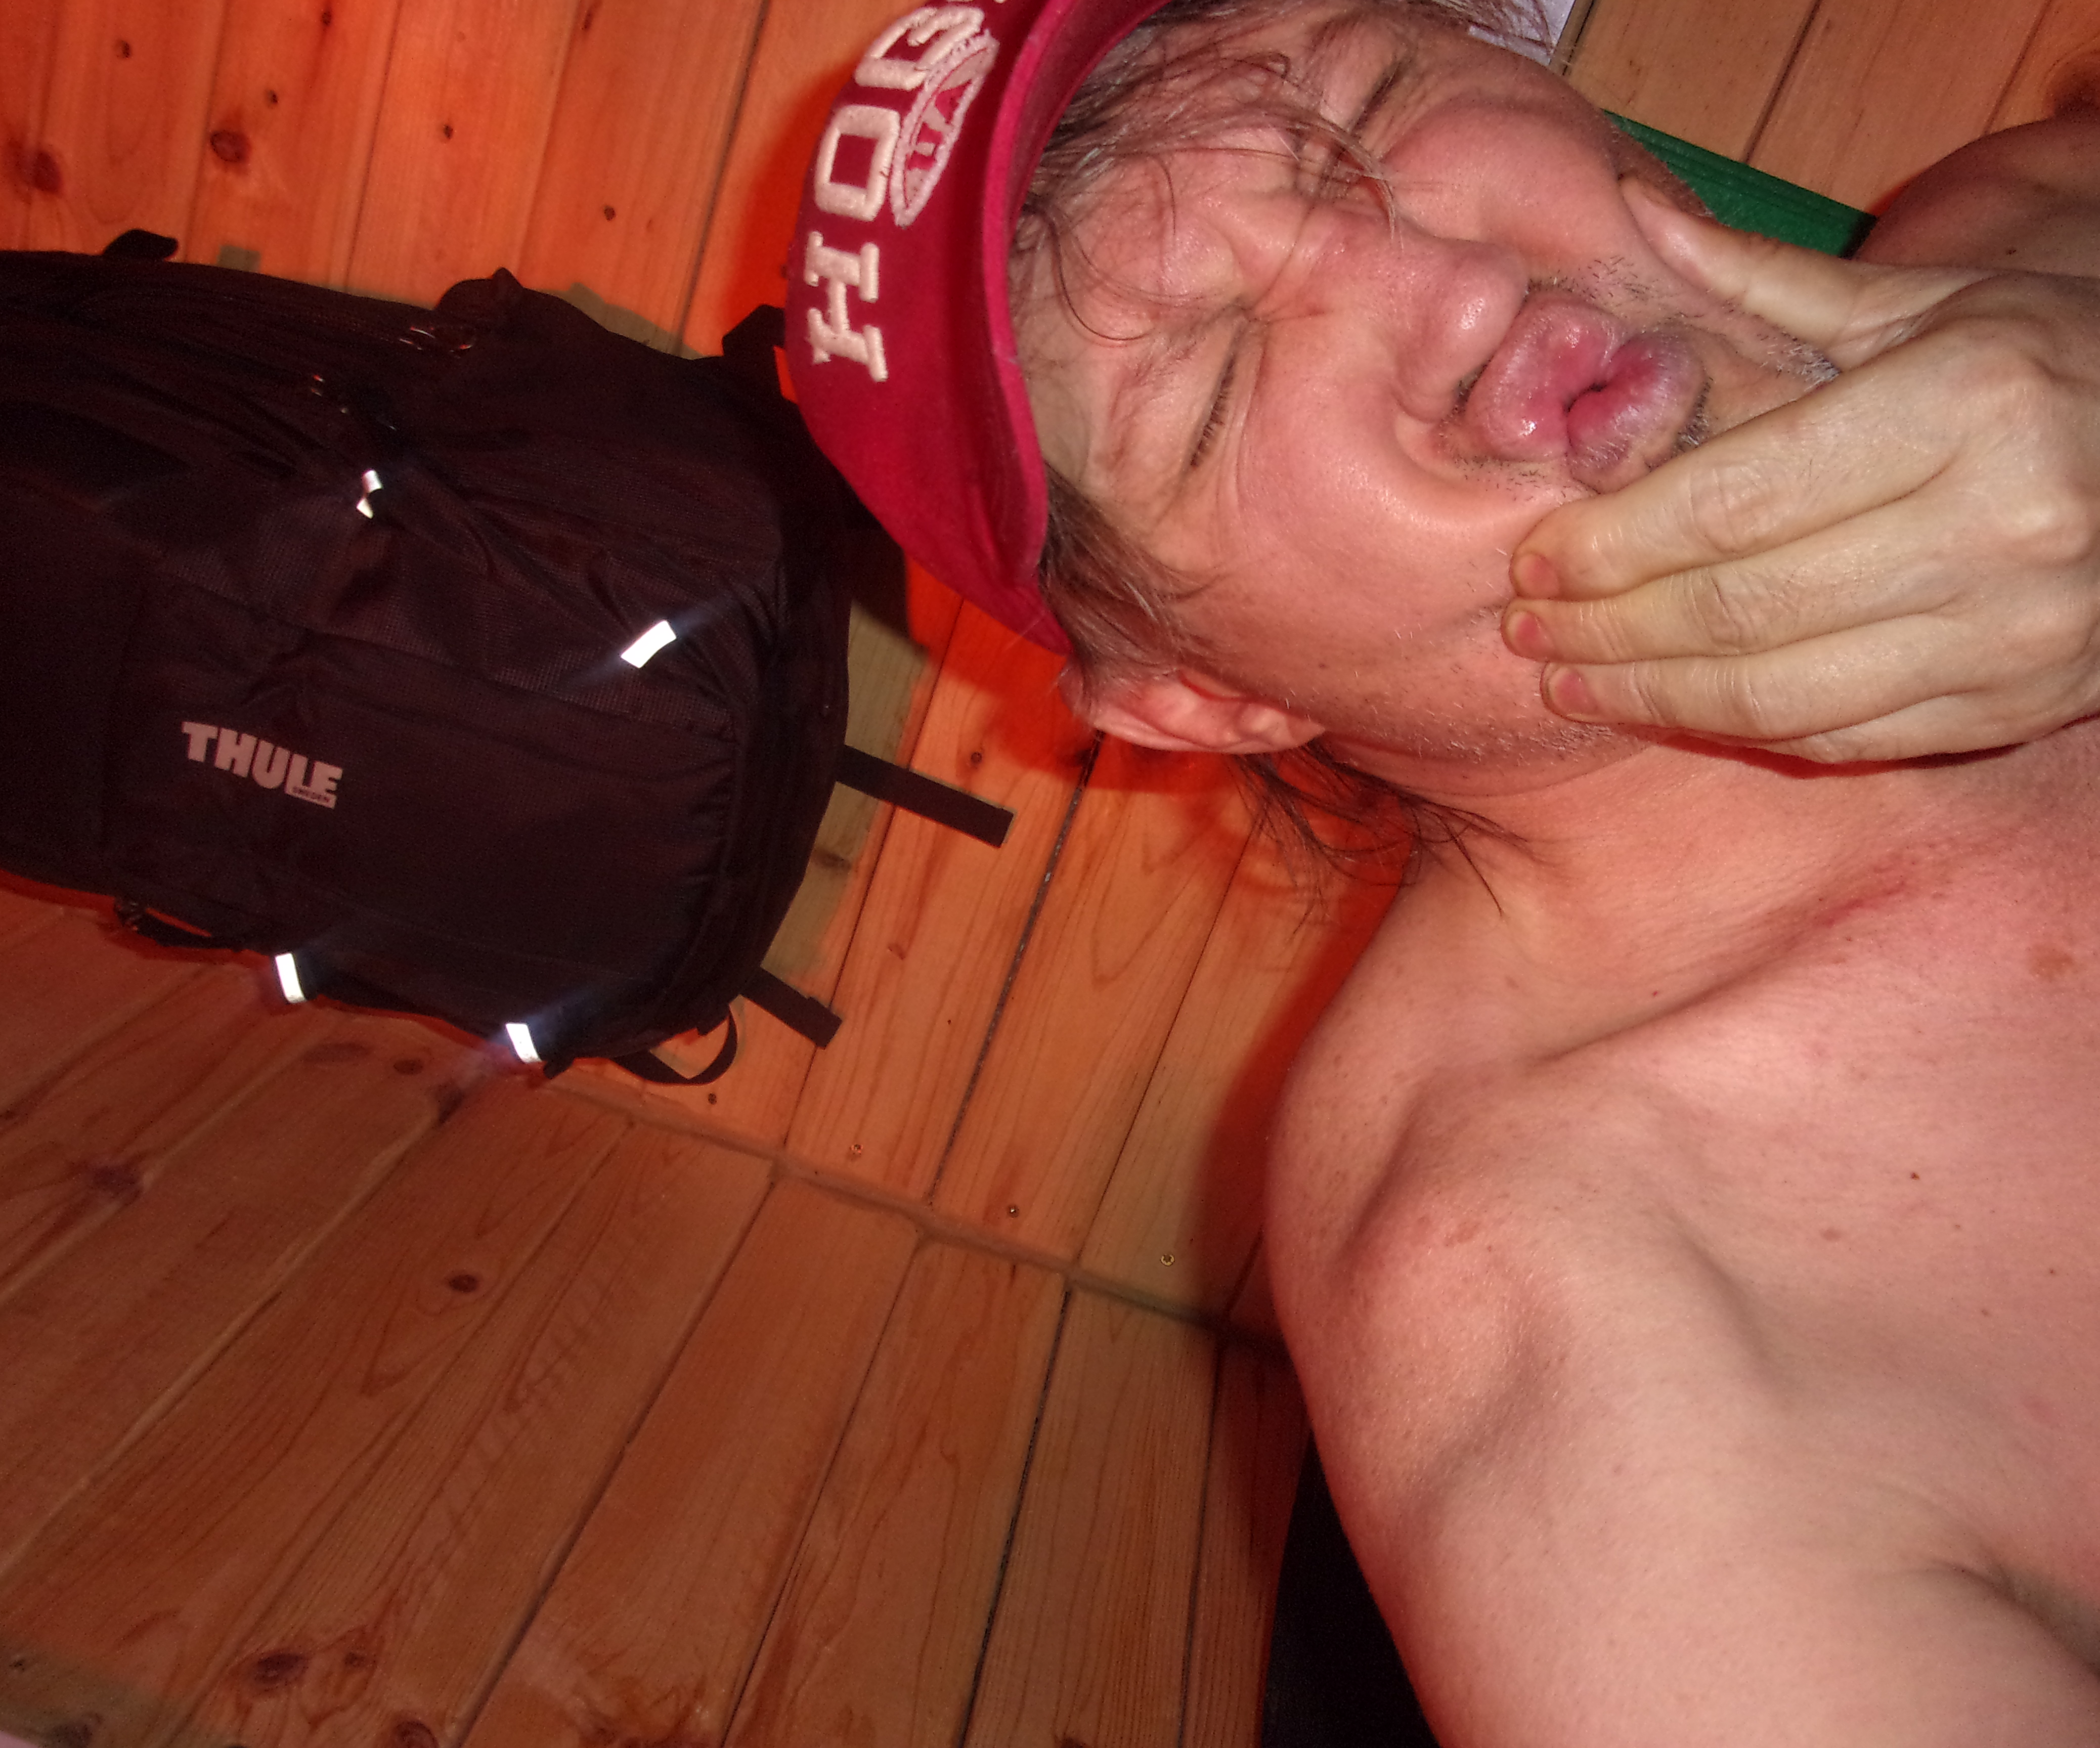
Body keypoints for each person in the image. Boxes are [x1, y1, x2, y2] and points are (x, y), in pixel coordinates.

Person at [789, 1, 2100, 1742]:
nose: (1460, 295)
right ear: (1201, 694)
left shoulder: (2023, 236)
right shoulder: (1588, 1343)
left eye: (1374, 113)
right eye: (1216, 381)